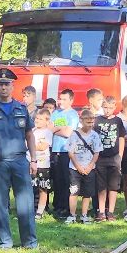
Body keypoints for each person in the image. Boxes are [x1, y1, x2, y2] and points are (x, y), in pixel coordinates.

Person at [0, 68, 37, 250]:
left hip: (20, 161)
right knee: (0, 204)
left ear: (13, 86)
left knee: (25, 202)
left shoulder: (21, 108)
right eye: (1, 84)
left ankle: (29, 242)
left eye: (7, 84)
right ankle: (5, 242)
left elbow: (29, 135)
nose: (4, 87)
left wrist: (34, 159)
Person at [93, 96, 127, 221]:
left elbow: (121, 137)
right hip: (101, 157)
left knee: (113, 186)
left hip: (114, 157)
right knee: (101, 186)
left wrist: (120, 155)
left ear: (115, 108)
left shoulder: (118, 121)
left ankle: (111, 211)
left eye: (110, 108)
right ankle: (101, 211)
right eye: (105, 107)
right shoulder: (97, 120)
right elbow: (93, 138)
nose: (107, 110)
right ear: (102, 107)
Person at [67, 107, 102, 222]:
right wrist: (78, 167)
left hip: (89, 168)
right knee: (74, 191)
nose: (90, 125)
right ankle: (72, 215)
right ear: (81, 121)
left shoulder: (95, 135)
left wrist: (90, 166)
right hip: (75, 168)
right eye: (88, 122)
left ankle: (84, 215)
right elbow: (71, 153)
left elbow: (97, 153)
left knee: (87, 193)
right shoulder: (74, 134)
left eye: (92, 122)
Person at [50, 89, 77, 220]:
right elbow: (49, 128)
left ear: (71, 100)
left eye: (64, 99)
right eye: (60, 99)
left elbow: (68, 133)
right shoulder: (55, 113)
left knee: (66, 180)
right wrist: (59, 129)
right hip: (55, 150)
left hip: (67, 151)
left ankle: (66, 207)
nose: (61, 101)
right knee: (57, 179)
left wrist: (55, 129)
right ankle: (58, 206)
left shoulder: (73, 115)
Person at [31, 106, 54, 217]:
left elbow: (42, 147)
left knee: (42, 188)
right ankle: (31, 209)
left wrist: (31, 146)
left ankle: (40, 211)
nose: (37, 121)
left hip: (43, 164)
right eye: (36, 118)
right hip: (31, 162)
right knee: (32, 187)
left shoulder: (47, 132)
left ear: (46, 121)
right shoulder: (32, 131)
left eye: (40, 119)